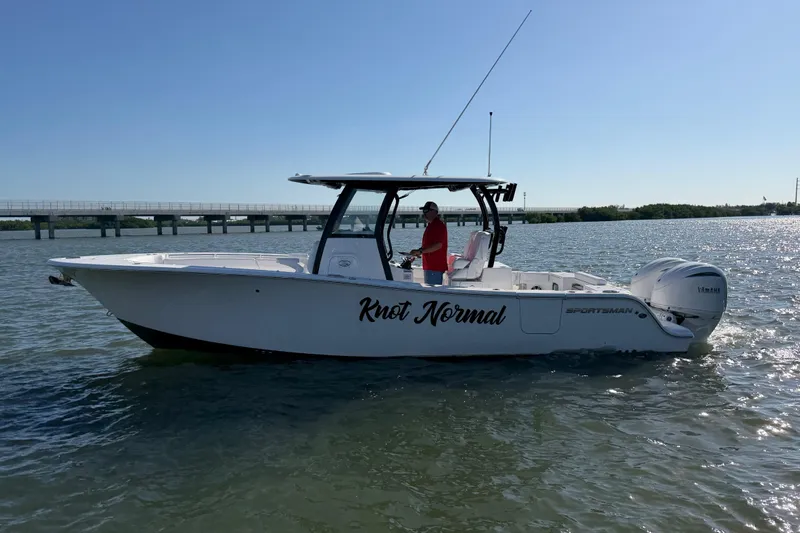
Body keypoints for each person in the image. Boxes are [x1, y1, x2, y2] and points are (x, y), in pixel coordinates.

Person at [410, 201, 448, 285]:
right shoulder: (431, 225)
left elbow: (438, 245)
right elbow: (429, 245)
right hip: (430, 266)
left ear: (434, 212)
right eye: (423, 211)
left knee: (434, 293)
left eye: (426, 211)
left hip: (435, 267)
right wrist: (419, 252)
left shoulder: (439, 226)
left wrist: (420, 251)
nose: (424, 213)